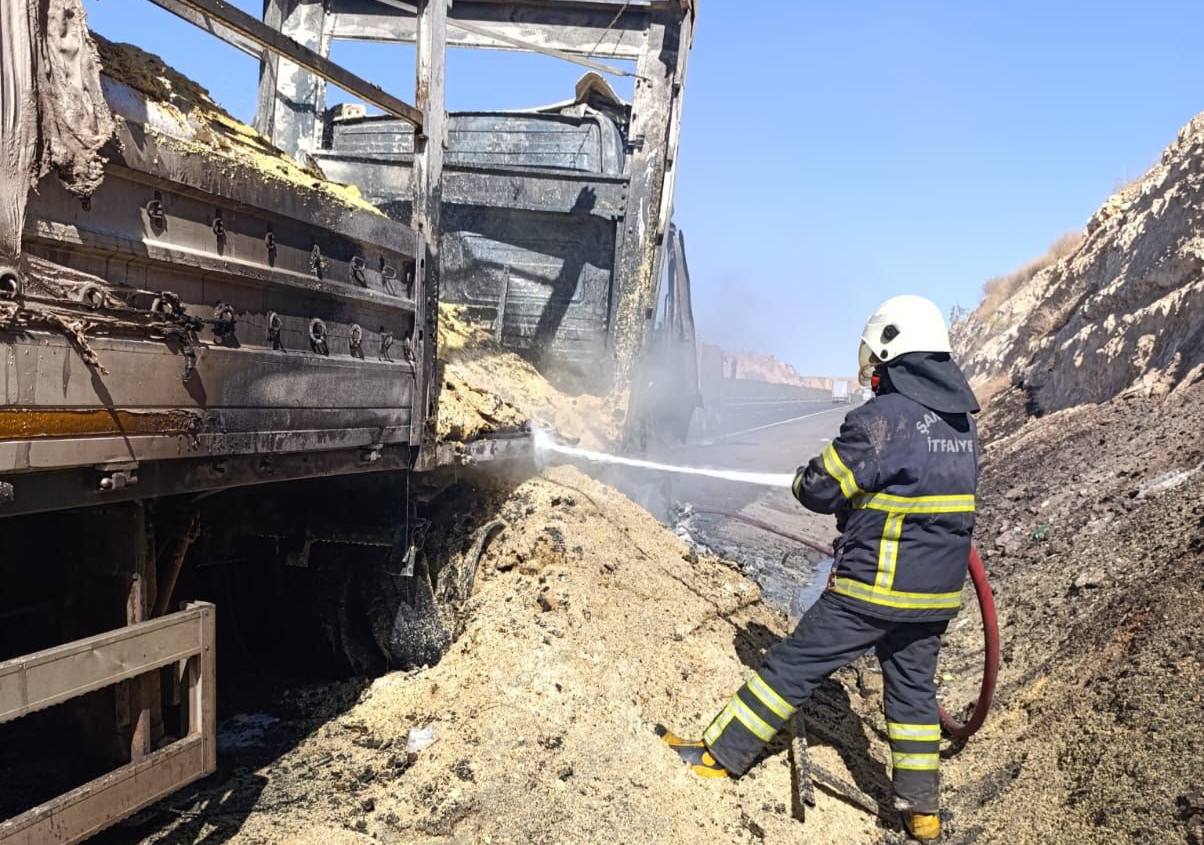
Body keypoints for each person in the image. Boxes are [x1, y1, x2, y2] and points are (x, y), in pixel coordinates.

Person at [661, 295, 980, 842]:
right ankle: (921, 813)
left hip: (871, 592)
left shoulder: (882, 420)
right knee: (912, 700)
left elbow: (820, 488)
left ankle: (720, 754)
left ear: (891, 351)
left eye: (876, 362)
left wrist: (803, 481)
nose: (872, 374)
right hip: (935, 599)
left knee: (789, 669)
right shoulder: (960, 427)